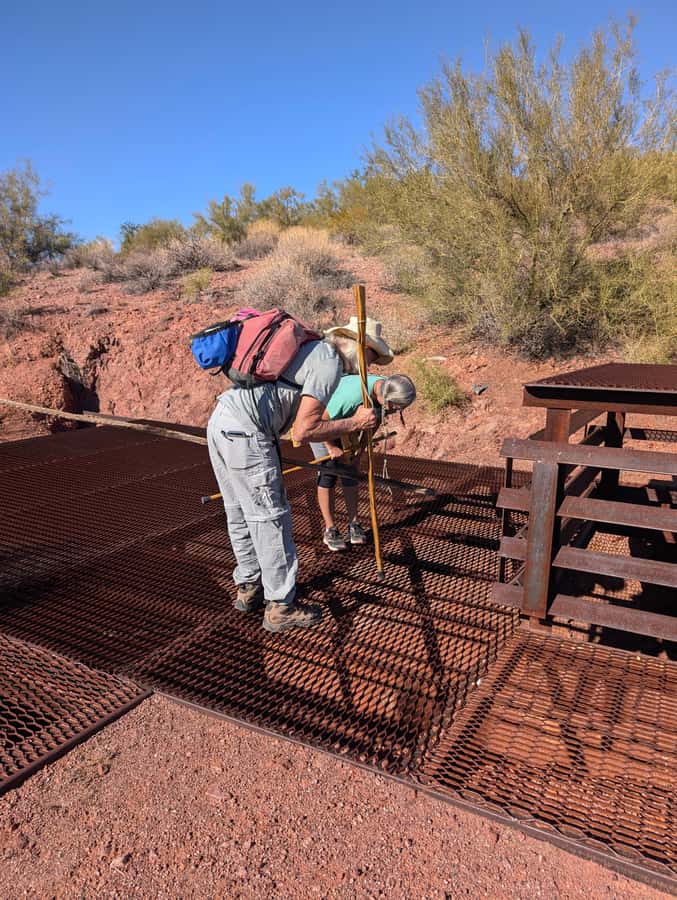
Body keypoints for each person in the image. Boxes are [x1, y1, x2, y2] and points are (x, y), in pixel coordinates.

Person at [206, 315, 391, 634]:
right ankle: (280, 606)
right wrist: (356, 423)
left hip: (222, 422)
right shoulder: (329, 363)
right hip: (248, 433)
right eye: (371, 358)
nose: (369, 367)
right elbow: (303, 431)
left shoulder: (312, 350)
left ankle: (250, 586)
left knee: (238, 511)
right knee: (271, 517)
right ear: (359, 350)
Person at [310, 373, 417, 551]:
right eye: (394, 407)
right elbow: (320, 421)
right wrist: (331, 447)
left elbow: (375, 420)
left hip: (349, 423)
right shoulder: (352, 397)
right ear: (388, 399)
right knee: (329, 472)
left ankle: (354, 523)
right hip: (321, 425)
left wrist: (361, 447)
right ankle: (330, 529)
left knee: (351, 472)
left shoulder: (384, 393)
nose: (394, 410)